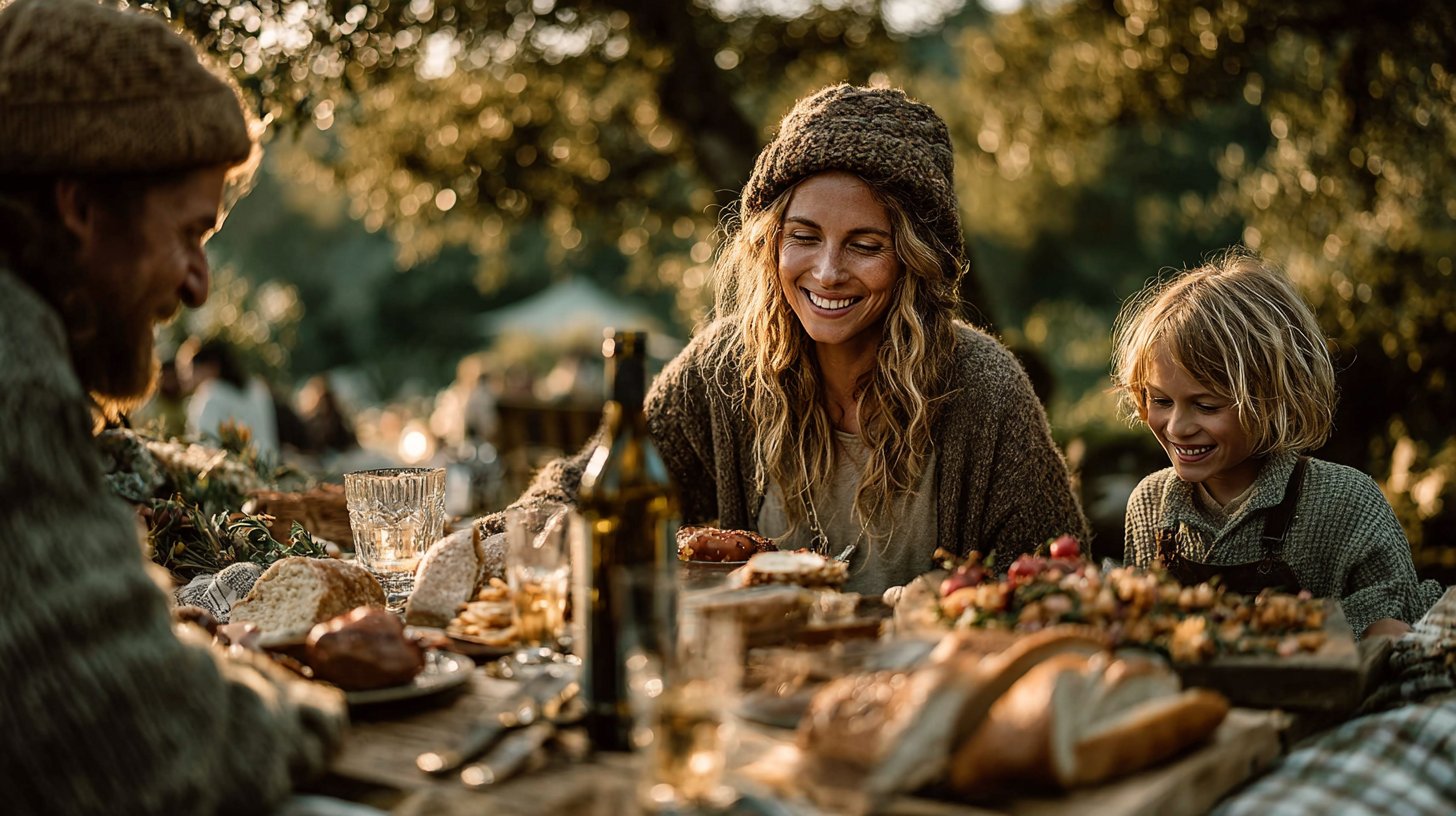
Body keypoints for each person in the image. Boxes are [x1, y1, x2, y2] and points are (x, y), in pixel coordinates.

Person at [483, 84, 1087, 595]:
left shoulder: (984, 389)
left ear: (914, 259)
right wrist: (505, 539)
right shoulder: (722, 368)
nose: (827, 272)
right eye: (804, 236)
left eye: (865, 245)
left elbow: (1057, 585)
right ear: (770, 241)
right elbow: (576, 491)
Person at [0, 2, 353, 814]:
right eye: (191, 234)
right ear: (80, 207)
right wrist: (311, 709)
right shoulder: (13, 367)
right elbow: (140, 741)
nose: (198, 284)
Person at [1113, 248, 1442, 638]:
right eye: (1161, 401)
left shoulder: (1347, 504)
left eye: (1205, 405)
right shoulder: (1149, 506)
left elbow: (1400, 636)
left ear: (1272, 398)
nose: (1178, 427)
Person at [186, 337, 283, 457]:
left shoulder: (210, 395)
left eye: (194, 371)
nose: (190, 378)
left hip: (230, 471)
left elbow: (205, 445)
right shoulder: (257, 388)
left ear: (212, 366)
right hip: (268, 465)